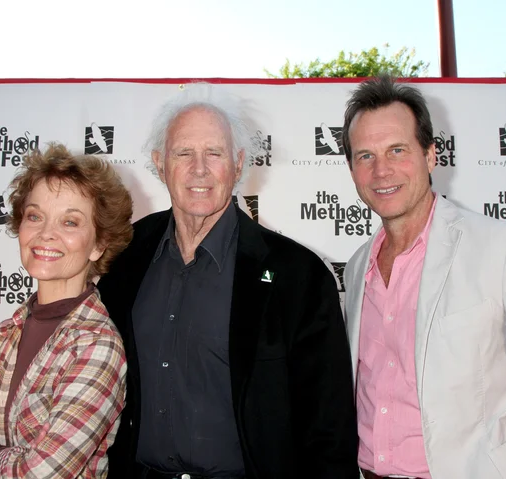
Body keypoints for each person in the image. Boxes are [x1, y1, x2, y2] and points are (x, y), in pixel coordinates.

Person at [97, 83, 358, 479]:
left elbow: (329, 429)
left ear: (237, 164)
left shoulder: (298, 276)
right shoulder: (124, 257)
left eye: (214, 153)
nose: (199, 169)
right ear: (159, 162)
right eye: (183, 153)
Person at [341, 75, 506, 479]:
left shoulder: (504, 249)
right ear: (351, 168)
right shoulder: (356, 266)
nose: (381, 171)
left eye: (397, 150)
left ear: (431, 155)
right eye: (365, 156)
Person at [0, 144, 133, 478]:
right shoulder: (1, 335)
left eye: (70, 222)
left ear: (98, 244)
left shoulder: (97, 346)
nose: (46, 234)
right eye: (35, 216)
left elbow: (42, 472)